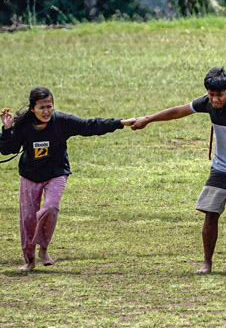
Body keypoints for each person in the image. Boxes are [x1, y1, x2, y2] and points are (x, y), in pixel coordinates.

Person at [130, 67, 226, 274]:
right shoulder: (207, 103)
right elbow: (178, 111)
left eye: (219, 95)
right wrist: (148, 119)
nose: (214, 99)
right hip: (221, 168)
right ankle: (207, 263)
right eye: (211, 94)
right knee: (210, 213)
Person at [0, 87, 134, 272]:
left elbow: (89, 126)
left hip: (56, 173)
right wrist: (7, 129)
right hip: (30, 176)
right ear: (32, 109)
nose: (46, 111)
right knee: (28, 219)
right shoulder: (24, 125)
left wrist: (120, 123)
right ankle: (29, 260)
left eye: (49, 106)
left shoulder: (61, 122)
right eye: (41, 107)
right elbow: (8, 149)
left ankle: (43, 249)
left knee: (51, 208)